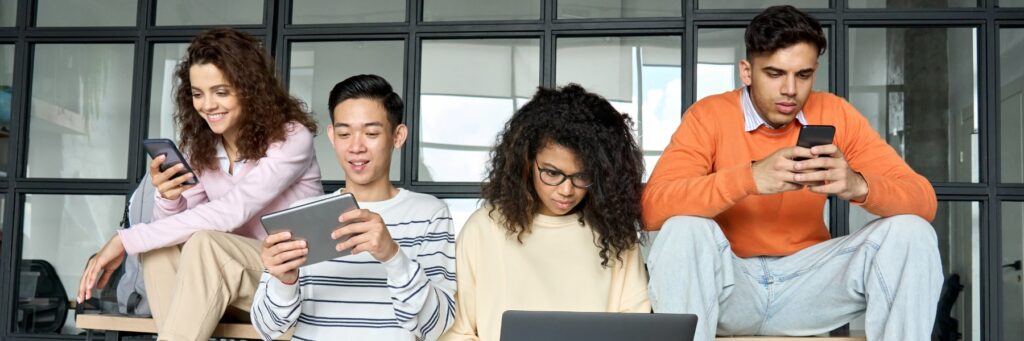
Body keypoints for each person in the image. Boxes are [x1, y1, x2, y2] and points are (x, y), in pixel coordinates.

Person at [642, 5, 942, 341]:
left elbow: (924, 202)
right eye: (774, 74)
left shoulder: (835, 111)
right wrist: (749, 178)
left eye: (803, 75)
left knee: (912, 232)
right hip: (731, 286)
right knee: (684, 229)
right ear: (746, 71)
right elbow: (652, 208)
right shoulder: (709, 115)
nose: (790, 90)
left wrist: (858, 185)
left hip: (809, 286)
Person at [76, 27, 322, 341]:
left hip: (289, 281)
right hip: (227, 284)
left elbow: (231, 213)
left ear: (249, 89)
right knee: (159, 249)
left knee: (205, 242)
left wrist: (124, 240)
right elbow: (177, 227)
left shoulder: (290, 138)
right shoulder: (200, 148)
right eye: (197, 93)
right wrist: (168, 198)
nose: (207, 105)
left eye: (221, 91)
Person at [251, 74, 456, 340]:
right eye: (344, 134)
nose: (356, 147)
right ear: (332, 137)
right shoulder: (302, 214)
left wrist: (392, 256)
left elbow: (436, 326)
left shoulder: (430, 214)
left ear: (398, 136)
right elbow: (267, 328)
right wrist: (284, 281)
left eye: (371, 133)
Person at [441, 84, 651, 341]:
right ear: (526, 161)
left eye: (582, 176)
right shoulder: (484, 228)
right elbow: (459, 331)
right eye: (552, 173)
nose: (566, 190)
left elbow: (635, 326)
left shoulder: (616, 235)